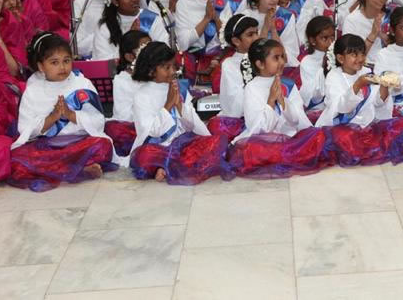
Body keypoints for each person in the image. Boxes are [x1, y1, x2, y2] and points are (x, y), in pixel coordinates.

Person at [10, 33, 117, 191]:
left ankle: (61, 169)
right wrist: (53, 117)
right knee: (17, 159)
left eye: (66, 61)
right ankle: (77, 169)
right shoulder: (33, 91)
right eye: (54, 62)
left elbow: (98, 122)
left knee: (103, 145)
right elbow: (25, 130)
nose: (62, 67)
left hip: (79, 143)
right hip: (47, 147)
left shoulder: (82, 84)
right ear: (41, 66)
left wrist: (70, 115)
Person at [129, 41, 228, 184]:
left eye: (173, 66)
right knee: (145, 157)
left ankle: (166, 167)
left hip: (182, 143)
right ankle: (165, 165)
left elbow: (191, 124)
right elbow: (151, 131)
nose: (172, 72)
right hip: (157, 146)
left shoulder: (178, 88)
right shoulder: (142, 95)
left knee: (214, 145)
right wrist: (168, 105)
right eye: (166, 68)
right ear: (151, 71)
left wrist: (180, 107)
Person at [231, 38, 312, 142]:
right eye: (276, 58)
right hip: (261, 143)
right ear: (260, 64)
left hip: (290, 138)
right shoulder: (252, 88)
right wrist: (271, 100)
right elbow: (259, 129)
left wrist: (283, 102)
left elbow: (297, 120)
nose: (282, 62)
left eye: (282, 56)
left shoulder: (288, 84)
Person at [316, 33, 393, 127]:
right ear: (340, 58)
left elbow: (377, 102)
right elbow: (341, 108)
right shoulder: (334, 77)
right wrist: (358, 84)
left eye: (363, 54)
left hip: (365, 124)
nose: (360, 59)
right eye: (354, 55)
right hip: (340, 126)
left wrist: (384, 85)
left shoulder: (366, 71)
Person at [218, 14, 259, 118]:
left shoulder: (264, 57)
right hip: (239, 118)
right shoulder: (229, 64)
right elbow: (233, 107)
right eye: (250, 35)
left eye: (256, 33)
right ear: (236, 41)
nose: (256, 38)